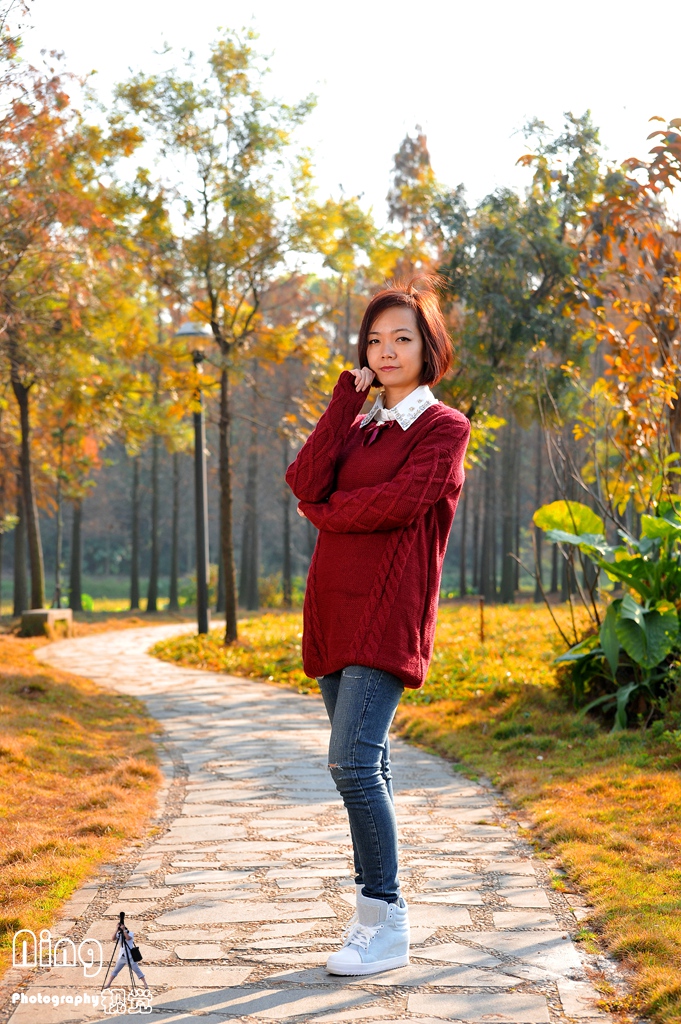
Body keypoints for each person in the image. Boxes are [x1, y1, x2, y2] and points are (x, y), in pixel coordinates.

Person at [285, 279, 470, 976]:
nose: (386, 350)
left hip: (387, 613)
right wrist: (345, 400)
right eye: (374, 340)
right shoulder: (360, 426)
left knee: (351, 764)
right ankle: (376, 917)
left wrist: (327, 513)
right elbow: (304, 479)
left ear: (428, 348)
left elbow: (399, 504)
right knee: (370, 764)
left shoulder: (444, 428)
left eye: (402, 338)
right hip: (334, 609)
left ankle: (384, 919)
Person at [102, 922, 148, 990]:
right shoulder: (119, 934)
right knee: (115, 971)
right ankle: (108, 984)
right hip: (122, 957)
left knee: (137, 970)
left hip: (130, 957)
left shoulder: (130, 933)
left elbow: (128, 938)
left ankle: (145, 983)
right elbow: (113, 938)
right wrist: (116, 930)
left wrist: (123, 930)